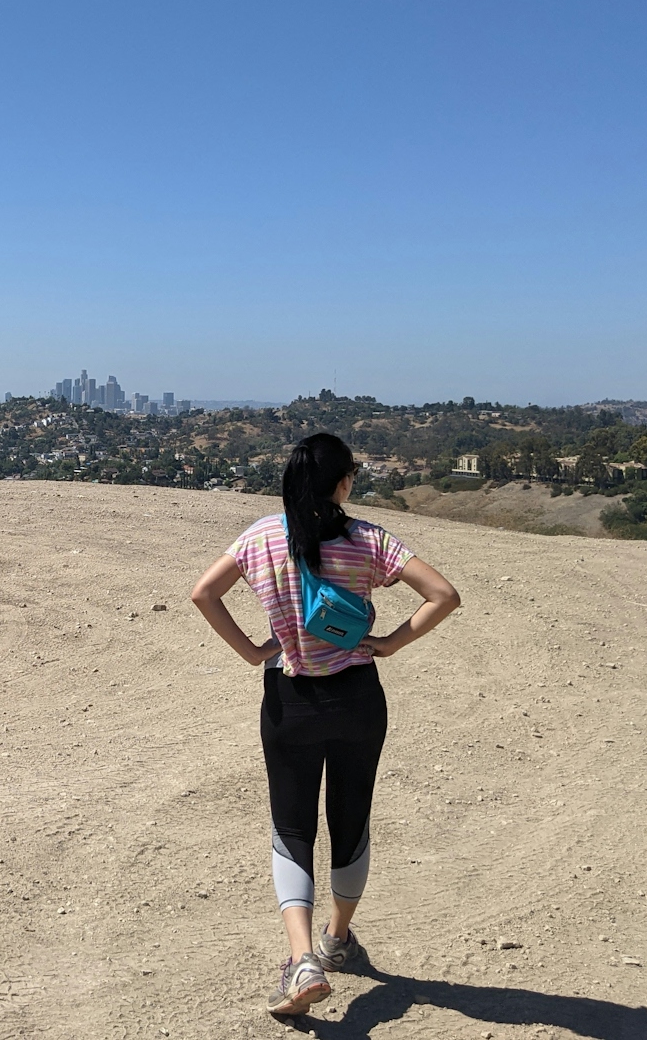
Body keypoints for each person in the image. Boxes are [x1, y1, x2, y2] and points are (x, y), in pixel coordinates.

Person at [190, 432, 460, 1017]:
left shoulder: (261, 537)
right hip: (358, 699)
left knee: (291, 826)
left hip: (290, 700)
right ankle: (337, 939)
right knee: (350, 819)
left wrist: (250, 651)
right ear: (341, 483)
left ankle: (301, 958)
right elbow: (442, 594)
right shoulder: (369, 539)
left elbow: (203, 593)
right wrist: (388, 642)